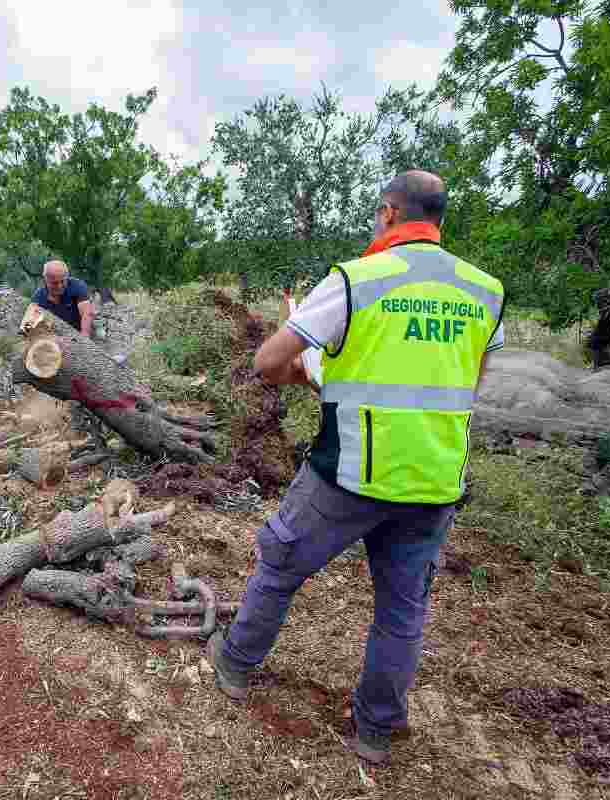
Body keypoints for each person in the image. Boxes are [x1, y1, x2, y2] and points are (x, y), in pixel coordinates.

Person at [205, 170, 506, 766]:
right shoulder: (485, 291)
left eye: (377, 215)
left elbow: (269, 361)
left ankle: (236, 665)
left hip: (350, 472)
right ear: (437, 219)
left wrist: (309, 376)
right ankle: (374, 733)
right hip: (434, 482)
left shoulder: (357, 280)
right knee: (401, 614)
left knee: (280, 563)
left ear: (390, 213)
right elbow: (469, 382)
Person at [32, 260, 95, 338]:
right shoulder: (38, 298)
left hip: (80, 332)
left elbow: (86, 312)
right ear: (45, 280)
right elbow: (29, 326)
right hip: (56, 337)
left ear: (67, 277)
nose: (59, 286)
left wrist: (84, 335)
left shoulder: (77, 286)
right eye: (54, 283)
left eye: (62, 281)